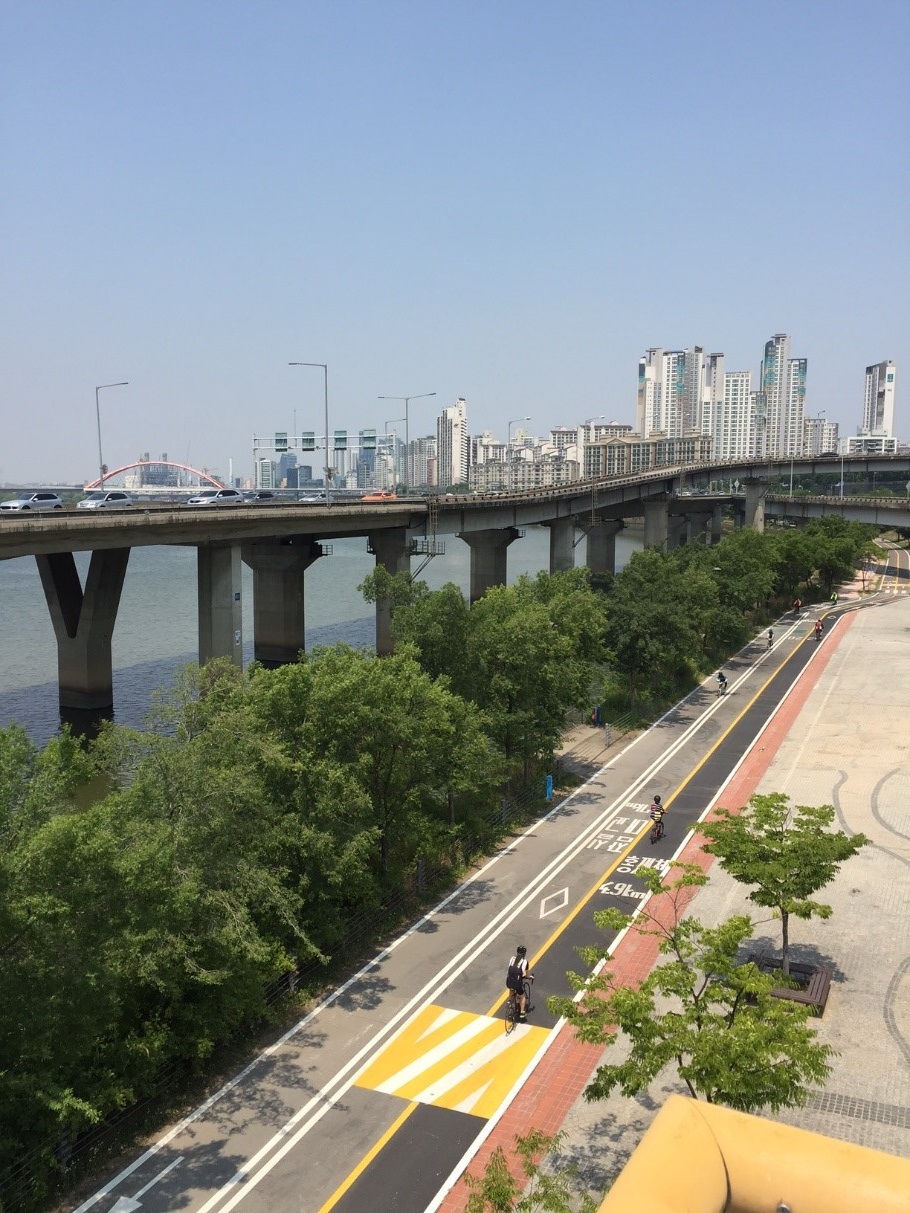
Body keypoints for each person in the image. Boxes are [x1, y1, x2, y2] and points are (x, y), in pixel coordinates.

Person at [506, 946, 533, 1021]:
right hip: (517, 982)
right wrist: (529, 977)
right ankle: (522, 1013)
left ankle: (510, 1002)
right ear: (524, 954)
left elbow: (510, 968)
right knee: (522, 995)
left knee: (511, 988)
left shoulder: (512, 958)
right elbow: (525, 974)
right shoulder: (525, 962)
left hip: (508, 981)